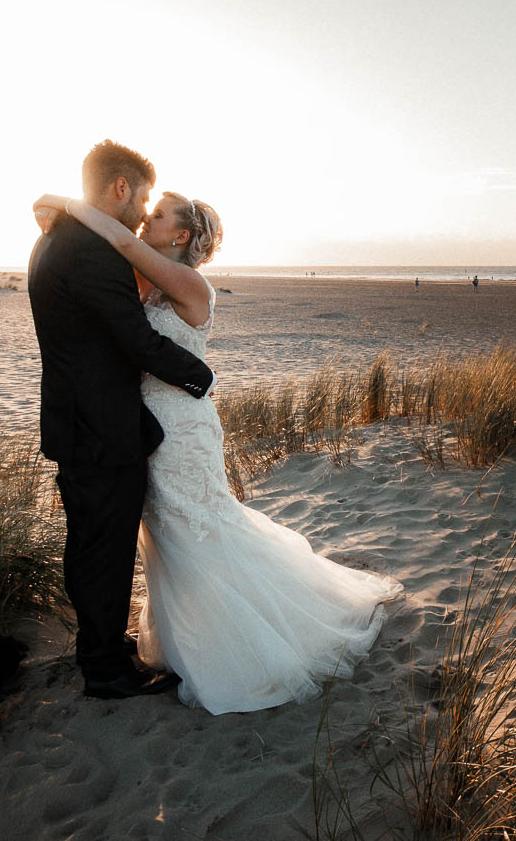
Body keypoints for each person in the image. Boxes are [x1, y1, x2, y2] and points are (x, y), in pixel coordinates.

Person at [33, 185, 401, 715]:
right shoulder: (146, 278)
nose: (145, 220)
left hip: (181, 424)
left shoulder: (188, 282)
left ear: (181, 236)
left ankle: (240, 645)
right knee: (166, 530)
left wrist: (65, 203)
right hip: (144, 424)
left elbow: (120, 242)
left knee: (196, 524)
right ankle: (189, 639)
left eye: (158, 215)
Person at [28, 141, 215, 700]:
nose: (142, 213)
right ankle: (107, 668)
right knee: (104, 552)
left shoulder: (53, 239)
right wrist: (199, 376)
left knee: (91, 545)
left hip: (77, 422)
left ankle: (99, 652)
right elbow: (134, 338)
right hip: (102, 430)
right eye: (144, 200)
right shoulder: (91, 250)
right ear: (119, 188)